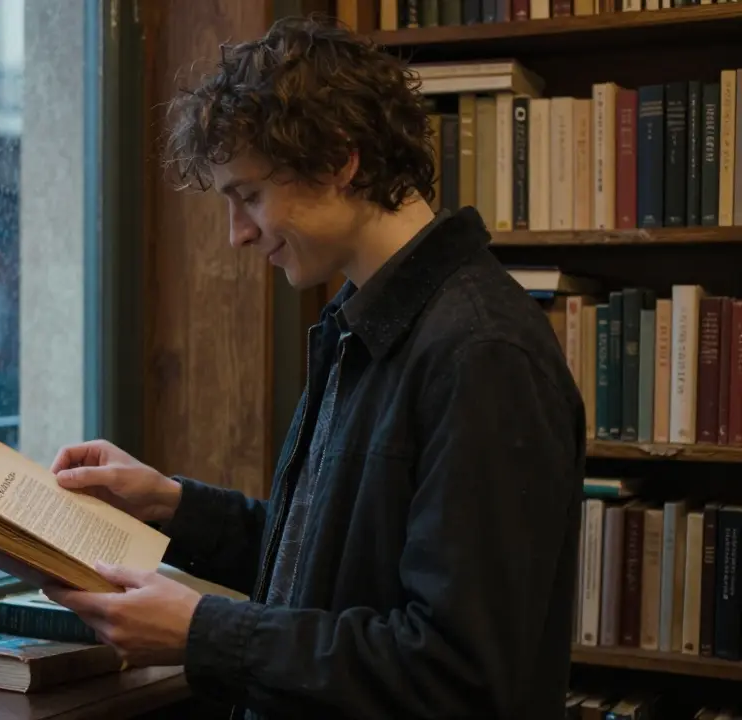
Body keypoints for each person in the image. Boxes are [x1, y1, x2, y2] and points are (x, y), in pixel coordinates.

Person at [43, 14, 585, 720]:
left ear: (338, 160)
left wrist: (204, 631)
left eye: (248, 195)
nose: (238, 234)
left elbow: (460, 673)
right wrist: (169, 507)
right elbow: (337, 560)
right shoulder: (364, 320)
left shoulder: (483, 355)